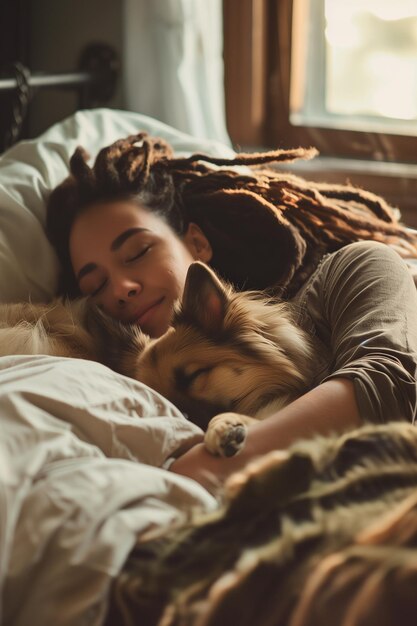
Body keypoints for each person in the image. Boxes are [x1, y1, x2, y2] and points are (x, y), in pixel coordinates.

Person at [46, 132, 417, 491]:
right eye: (96, 287)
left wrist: (195, 470)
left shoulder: (352, 271)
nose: (122, 290)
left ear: (197, 243)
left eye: (138, 252)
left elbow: (390, 385)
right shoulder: (112, 381)